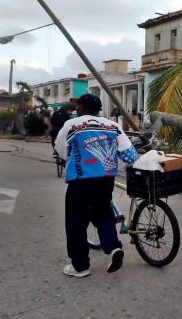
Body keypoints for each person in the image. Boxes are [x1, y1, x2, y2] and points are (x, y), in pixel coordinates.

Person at [54, 93, 139, 277]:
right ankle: (114, 248)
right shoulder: (113, 125)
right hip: (105, 181)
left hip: (80, 181)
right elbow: (130, 156)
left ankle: (80, 266)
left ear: (82, 108)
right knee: (103, 215)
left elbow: (60, 150)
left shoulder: (72, 125)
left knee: (76, 222)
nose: (76, 110)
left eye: (77, 107)